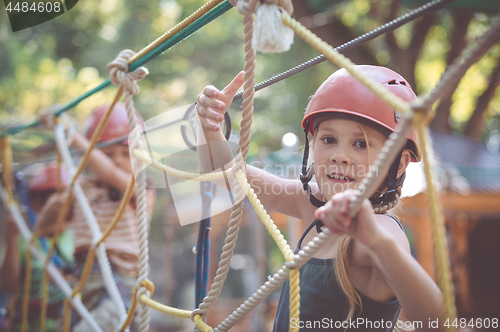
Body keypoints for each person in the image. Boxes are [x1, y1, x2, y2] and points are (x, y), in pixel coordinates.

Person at [195, 66, 444, 331]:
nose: (339, 155)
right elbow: (224, 173)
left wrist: (379, 242)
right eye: (328, 139)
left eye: (361, 144)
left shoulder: (380, 230)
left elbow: (439, 323)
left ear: (400, 162)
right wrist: (208, 125)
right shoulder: (310, 202)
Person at [37, 103, 156, 332]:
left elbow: (109, 172)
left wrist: (71, 136)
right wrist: (53, 208)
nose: (118, 160)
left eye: (125, 153)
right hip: (84, 278)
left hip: (120, 281)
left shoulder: (139, 188)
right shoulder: (81, 189)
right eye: (108, 154)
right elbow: (41, 230)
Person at [0, 165, 75, 332]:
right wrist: (11, 237)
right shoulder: (24, 239)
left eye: (66, 207)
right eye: (47, 202)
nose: (57, 212)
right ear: (34, 204)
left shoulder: (75, 237)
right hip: (25, 324)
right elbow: (9, 284)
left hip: (64, 323)